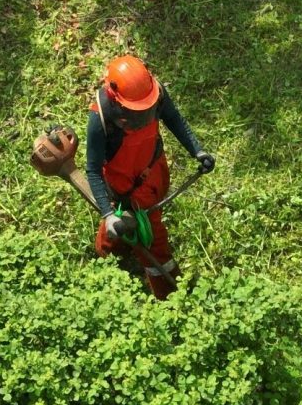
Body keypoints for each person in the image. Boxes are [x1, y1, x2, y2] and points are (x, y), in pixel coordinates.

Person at [85, 55, 214, 300]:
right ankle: (105, 266)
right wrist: (108, 214)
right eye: (137, 110)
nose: (144, 114)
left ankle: (170, 297)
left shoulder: (156, 96)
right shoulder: (100, 120)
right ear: (115, 99)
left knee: (152, 240)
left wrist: (197, 150)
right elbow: (92, 169)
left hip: (151, 180)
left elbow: (175, 119)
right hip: (118, 188)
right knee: (112, 234)